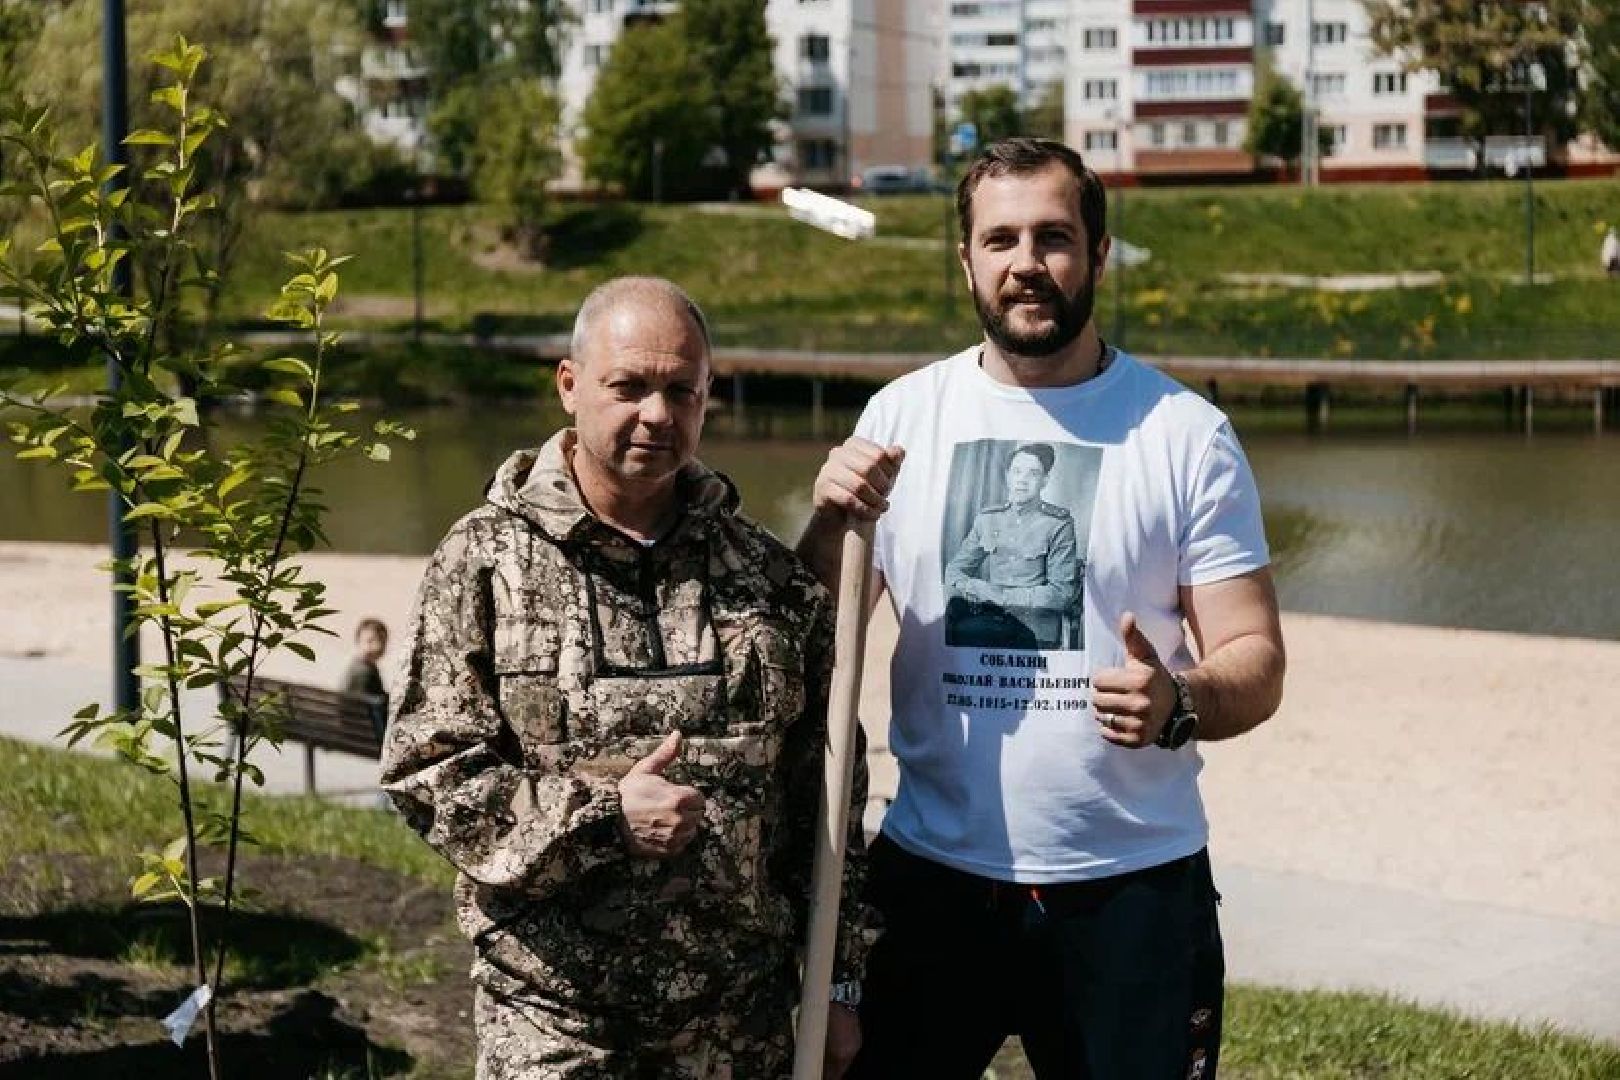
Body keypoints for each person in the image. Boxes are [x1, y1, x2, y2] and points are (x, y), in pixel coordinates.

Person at [797, 138, 1286, 1079]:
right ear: (967, 260)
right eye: (1002, 239)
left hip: (1133, 890)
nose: (1028, 263)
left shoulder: (1184, 435)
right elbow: (813, 643)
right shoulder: (900, 418)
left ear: (1098, 255)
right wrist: (827, 523)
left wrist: (1178, 703)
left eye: (1055, 238)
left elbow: (1255, 658)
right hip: (932, 882)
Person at [382, 277, 871, 1079]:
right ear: (571, 387)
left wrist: (839, 980)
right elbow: (429, 775)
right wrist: (605, 818)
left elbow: (829, 794)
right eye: (630, 386)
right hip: (553, 1014)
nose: (657, 413)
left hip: (736, 1024)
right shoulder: (484, 560)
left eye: (683, 391)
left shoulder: (763, 576)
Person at [944, 441, 1081, 650]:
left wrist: (995, 594)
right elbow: (954, 571)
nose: (1022, 480)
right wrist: (970, 587)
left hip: (1034, 628)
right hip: (989, 621)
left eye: (1033, 474)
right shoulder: (988, 519)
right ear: (1008, 476)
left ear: (1045, 481)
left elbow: (1060, 594)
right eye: (1017, 472)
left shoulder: (1059, 524)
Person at [340, 617, 389, 740]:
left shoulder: (359, 666)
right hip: (363, 732)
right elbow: (364, 701)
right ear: (358, 641)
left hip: (355, 728)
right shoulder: (363, 671)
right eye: (370, 641)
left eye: (382, 641)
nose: (378, 646)